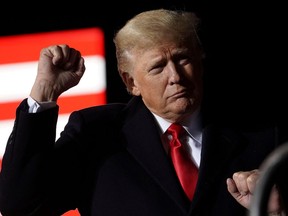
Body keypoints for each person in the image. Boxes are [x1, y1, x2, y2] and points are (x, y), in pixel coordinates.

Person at [0, 8, 286, 216]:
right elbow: (19, 205)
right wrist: (44, 92)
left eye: (183, 58)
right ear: (131, 82)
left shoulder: (263, 132)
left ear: (200, 60)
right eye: (158, 67)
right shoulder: (97, 135)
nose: (175, 76)